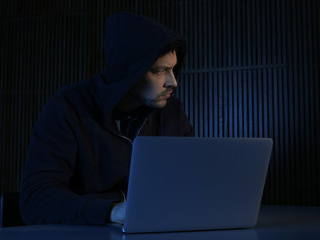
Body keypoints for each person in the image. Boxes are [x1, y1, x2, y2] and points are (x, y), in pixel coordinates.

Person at [19, 11, 194, 225]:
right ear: (129, 72)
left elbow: (191, 180)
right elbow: (36, 200)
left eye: (173, 69)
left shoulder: (172, 113)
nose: (173, 82)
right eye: (159, 71)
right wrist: (112, 211)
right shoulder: (68, 108)